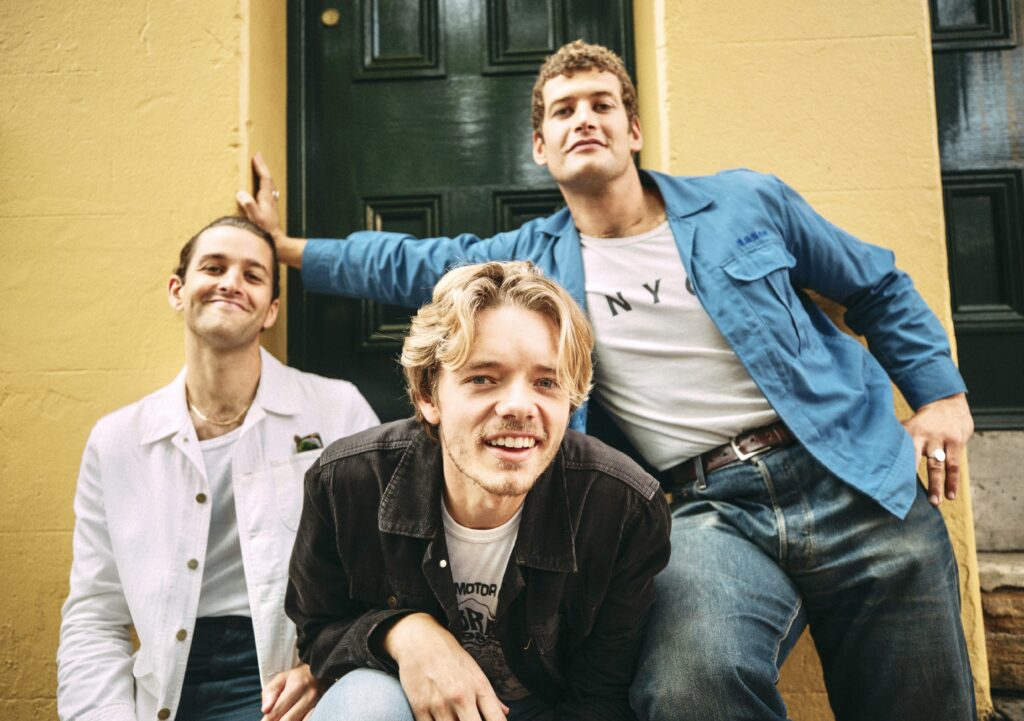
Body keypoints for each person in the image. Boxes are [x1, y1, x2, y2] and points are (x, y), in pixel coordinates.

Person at [238, 41, 976, 721]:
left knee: (918, 696)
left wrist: (942, 395)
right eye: (562, 110)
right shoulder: (531, 257)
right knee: (686, 684)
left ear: (633, 131)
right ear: (540, 145)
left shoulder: (748, 201)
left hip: (848, 469)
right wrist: (282, 248)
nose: (583, 119)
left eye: (601, 104)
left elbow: (874, 285)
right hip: (707, 509)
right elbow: (402, 263)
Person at [285, 261, 671, 721]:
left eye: (546, 382)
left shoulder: (623, 507)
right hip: (404, 703)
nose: (518, 406)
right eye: (483, 378)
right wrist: (405, 635)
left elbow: (600, 699)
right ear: (430, 396)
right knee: (367, 700)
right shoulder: (345, 482)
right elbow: (318, 634)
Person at [57, 216, 379, 721]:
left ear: (271, 309)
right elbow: (96, 613)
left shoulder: (338, 411)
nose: (231, 282)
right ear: (177, 290)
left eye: (253, 275)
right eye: (214, 267)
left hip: (291, 675)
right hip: (168, 682)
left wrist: (327, 663)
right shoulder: (117, 442)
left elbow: (380, 572)